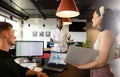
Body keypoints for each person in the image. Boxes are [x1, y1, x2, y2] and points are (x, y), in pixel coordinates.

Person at [72, 6, 118, 77]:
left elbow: (101, 62)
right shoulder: (104, 33)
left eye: (93, 17)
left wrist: (81, 67)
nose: (92, 19)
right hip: (98, 70)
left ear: (101, 17)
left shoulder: (107, 33)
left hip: (101, 71)